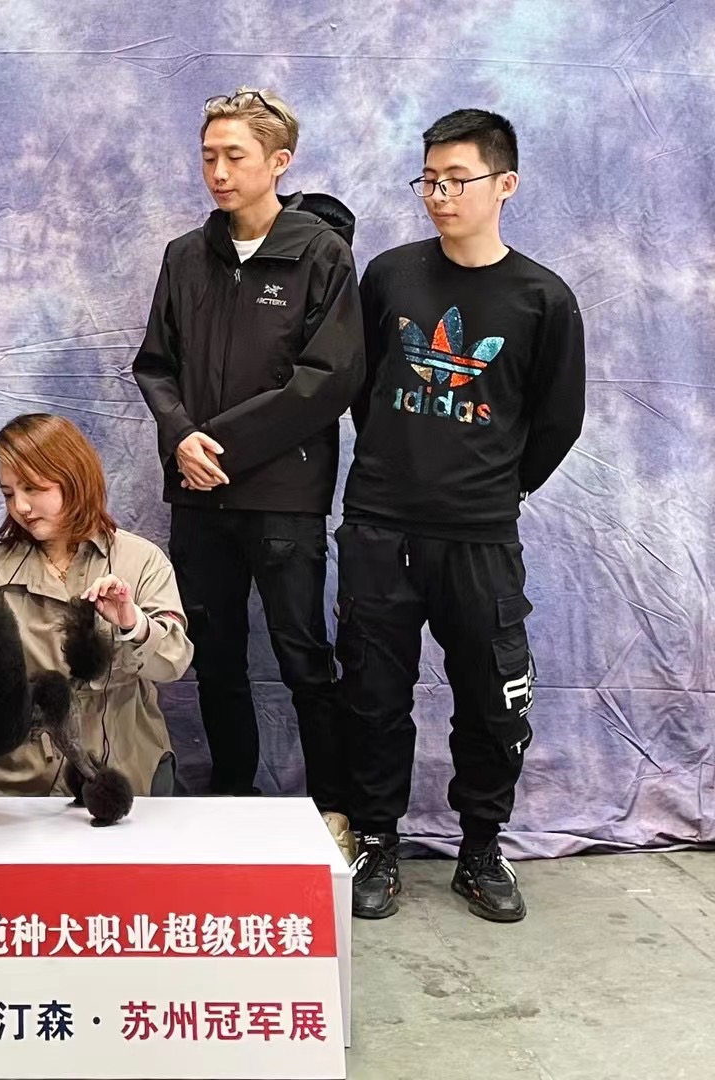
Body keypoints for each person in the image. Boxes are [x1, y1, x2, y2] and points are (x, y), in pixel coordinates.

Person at [339, 109, 586, 922]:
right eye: (429, 180)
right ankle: (377, 840)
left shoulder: (543, 298)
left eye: (457, 180)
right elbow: (363, 391)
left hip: (480, 535)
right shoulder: (390, 276)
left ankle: (481, 847)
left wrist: (496, 489)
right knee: (373, 693)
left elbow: (557, 421)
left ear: (505, 184)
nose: (439, 195)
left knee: (491, 699)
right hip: (380, 525)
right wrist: (398, 468)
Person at [132, 87, 363, 855]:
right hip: (198, 496)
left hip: (283, 494)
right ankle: (232, 795)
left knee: (303, 656)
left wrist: (215, 444)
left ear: (279, 161)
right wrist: (180, 437)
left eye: (235, 156)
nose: (219, 173)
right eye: (209, 157)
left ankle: (335, 808)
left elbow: (327, 378)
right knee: (216, 656)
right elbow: (155, 365)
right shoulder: (185, 256)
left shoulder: (321, 254)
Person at [0, 413, 193, 797]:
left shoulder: (142, 561)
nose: (21, 506)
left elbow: (173, 664)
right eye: (8, 493)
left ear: (74, 478)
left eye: (33, 488)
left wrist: (134, 623)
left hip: (127, 776)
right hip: (15, 788)